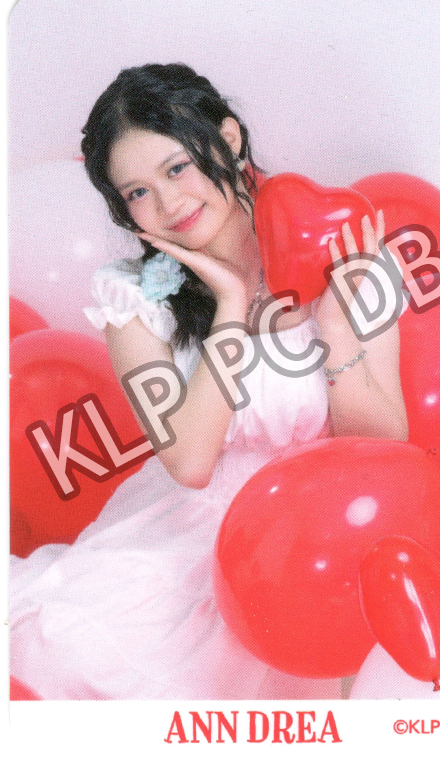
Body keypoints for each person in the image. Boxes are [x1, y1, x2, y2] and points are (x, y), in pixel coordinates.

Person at [10, 64, 408, 700]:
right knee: (70, 654)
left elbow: (384, 447)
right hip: (182, 543)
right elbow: (191, 462)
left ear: (228, 138)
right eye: (137, 192)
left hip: (311, 548)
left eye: (177, 168)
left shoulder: (344, 251)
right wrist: (230, 304)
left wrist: (336, 325)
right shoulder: (134, 299)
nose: (169, 204)